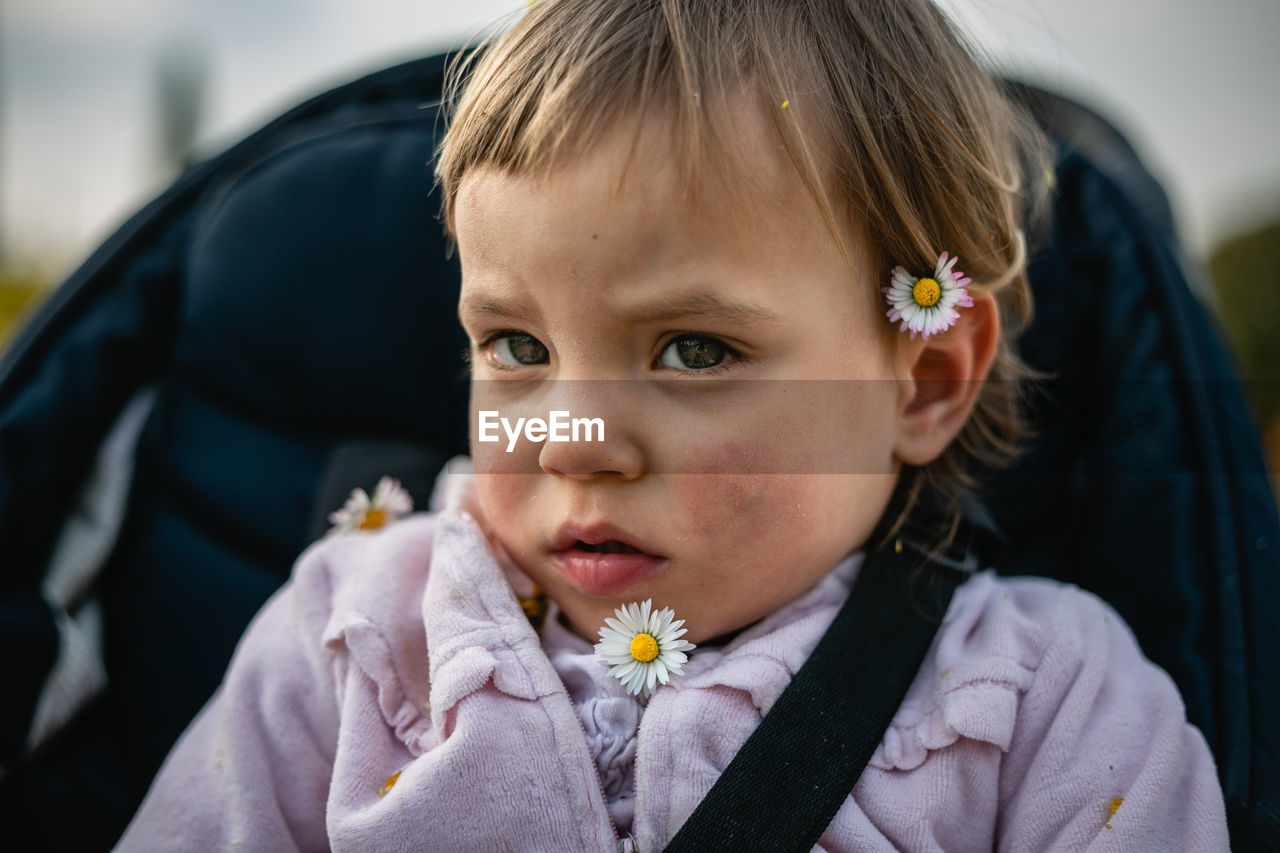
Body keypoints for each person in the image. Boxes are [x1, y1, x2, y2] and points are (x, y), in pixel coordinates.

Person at [115, 0, 1229, 849]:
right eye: (516, 346)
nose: (570, 439)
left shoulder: (1040, 706)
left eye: (693, 350)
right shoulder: (354, 647)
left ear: (923, 381)